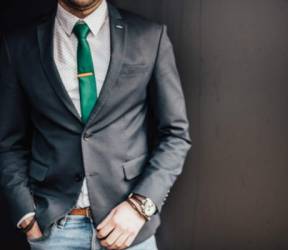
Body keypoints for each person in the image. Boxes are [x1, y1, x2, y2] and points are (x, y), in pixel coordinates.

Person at [0, 0, 191, 249]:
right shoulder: (18, 46)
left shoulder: (149, 36)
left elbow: (175, 135)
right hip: (53, 231)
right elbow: (7, 143)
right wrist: (26, 216)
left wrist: (140, 206)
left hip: (130, 230)